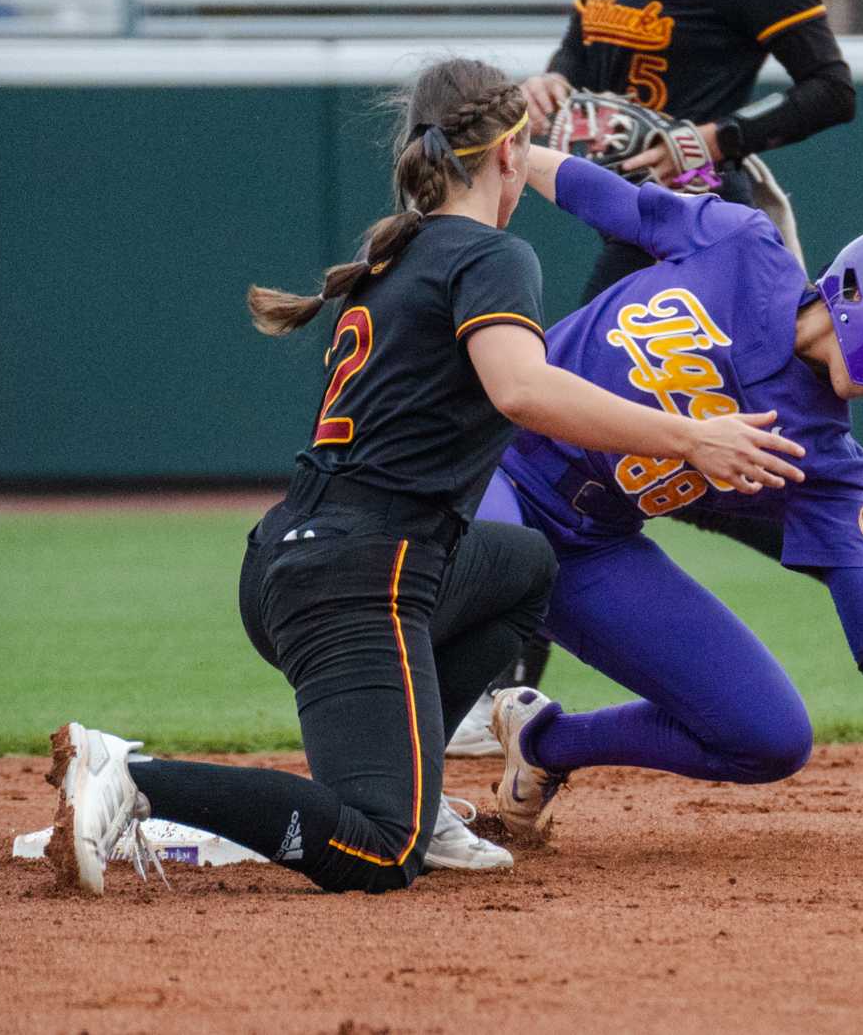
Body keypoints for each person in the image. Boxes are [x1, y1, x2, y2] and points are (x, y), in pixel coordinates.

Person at [46, 59, 805, 896]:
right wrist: (689, 437)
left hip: (302, 559)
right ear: (511, 155)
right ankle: (132, 777)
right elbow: (521, 388)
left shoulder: (397, 252)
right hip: (357, 580)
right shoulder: (490, 253)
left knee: (525, 566)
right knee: (378, 848)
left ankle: (421, 791)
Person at [446, 0, 863, 757]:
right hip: (631, 213)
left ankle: (504, 688)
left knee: (599, 425)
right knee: (633, 436)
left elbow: (831, 88)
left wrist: (714, 141)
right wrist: (550, 87)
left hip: (713, 223)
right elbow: (578, 50)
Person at [472, 153, 863, 868]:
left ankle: (543, 744)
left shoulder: (824, 457)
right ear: (861, 287)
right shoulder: (739, 244)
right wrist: (509, 152)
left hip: (590, 545)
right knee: (483, 578)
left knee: (770, 734)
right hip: (493, 464)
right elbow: (615, 202)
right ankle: (388, 802)